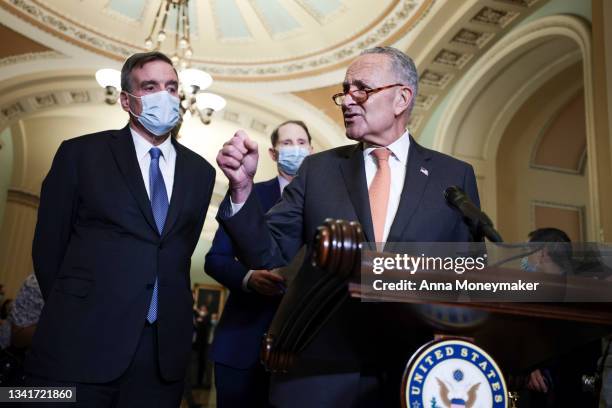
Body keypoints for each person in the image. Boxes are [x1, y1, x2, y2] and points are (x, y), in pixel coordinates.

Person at [215, 46, 480, 407]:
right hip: (319, 371)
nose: (347, 100)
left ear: (402, 97)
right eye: (345, 90)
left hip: (413, 372)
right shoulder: (317, 171)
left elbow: (466, 274)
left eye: (362, 89)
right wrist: (242, 188)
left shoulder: (453, 176)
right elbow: (268, 251)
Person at [26, 51, 216, 406]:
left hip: (160, 357)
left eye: (172, 87)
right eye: (150, 86)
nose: (165, 95)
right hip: (81, 343)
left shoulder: (201, 173)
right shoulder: (80, 154)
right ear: (126, 101)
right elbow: (49, 248)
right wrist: (79, 310)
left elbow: (175, 252)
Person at [205, 120, 313, 407]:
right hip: (244, 342)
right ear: (273, 152)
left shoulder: (325, 202)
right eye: (287, 143)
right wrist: (248, 278)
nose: (295, 149)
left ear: (311, 150)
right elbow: (216, 259)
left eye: (301, 143)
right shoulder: (248, 192)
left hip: (303, 351)